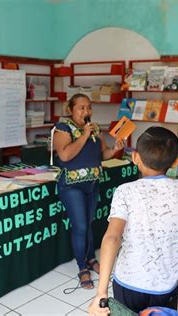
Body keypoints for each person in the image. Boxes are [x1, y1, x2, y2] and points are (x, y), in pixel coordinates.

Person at [88, 126, 178, 314]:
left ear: (135, 158)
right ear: (175, 163)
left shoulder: (125, 191)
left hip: (128, 283)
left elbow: (112, 238)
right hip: (165, 286)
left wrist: (101, 292)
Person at [53, 93, 125, 289]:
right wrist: (84, 134)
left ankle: (91, 259)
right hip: (71, 185)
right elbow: (66, 155)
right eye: (81, 108)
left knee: (90, 224)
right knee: (81, 227)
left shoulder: (95, 129)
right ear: (71, 110)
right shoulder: (63, 128)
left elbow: (103, 154)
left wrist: (115, 148)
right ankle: (82, 267)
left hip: (92, 184)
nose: (86, 111)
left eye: (89, 107)